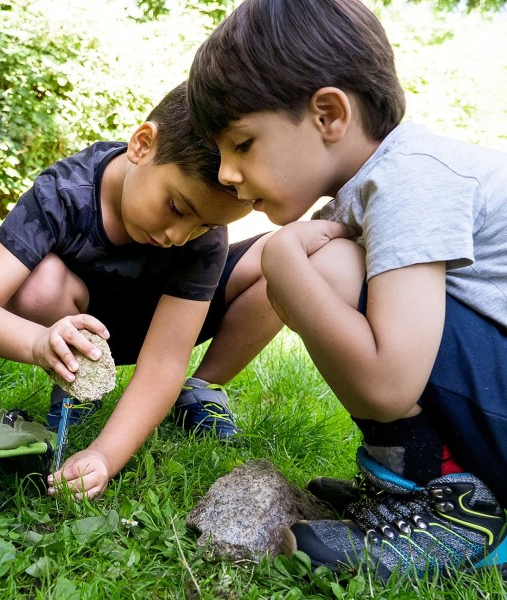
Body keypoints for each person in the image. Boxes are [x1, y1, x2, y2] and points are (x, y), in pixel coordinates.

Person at [186, 0, 507, 582]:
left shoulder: (410, 178)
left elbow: (388, 385)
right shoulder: (380, 182)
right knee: (318, 269)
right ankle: (410, 479)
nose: (226, 175)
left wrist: (283, 258)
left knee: (326, 267)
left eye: (242, 144)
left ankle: (457, 508)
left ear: (328, 114)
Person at [0, 82, 282, 501]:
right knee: (40, 281)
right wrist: (37, 342)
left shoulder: (199, 239)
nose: (179, 235)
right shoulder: (64, 192)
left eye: (204, 226)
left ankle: (200, 390)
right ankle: (79, 379)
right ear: (142, 144)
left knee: (284, 259)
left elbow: (163, 360)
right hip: (78, 324)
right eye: (176, 208)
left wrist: (104, 455)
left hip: (163, 325)